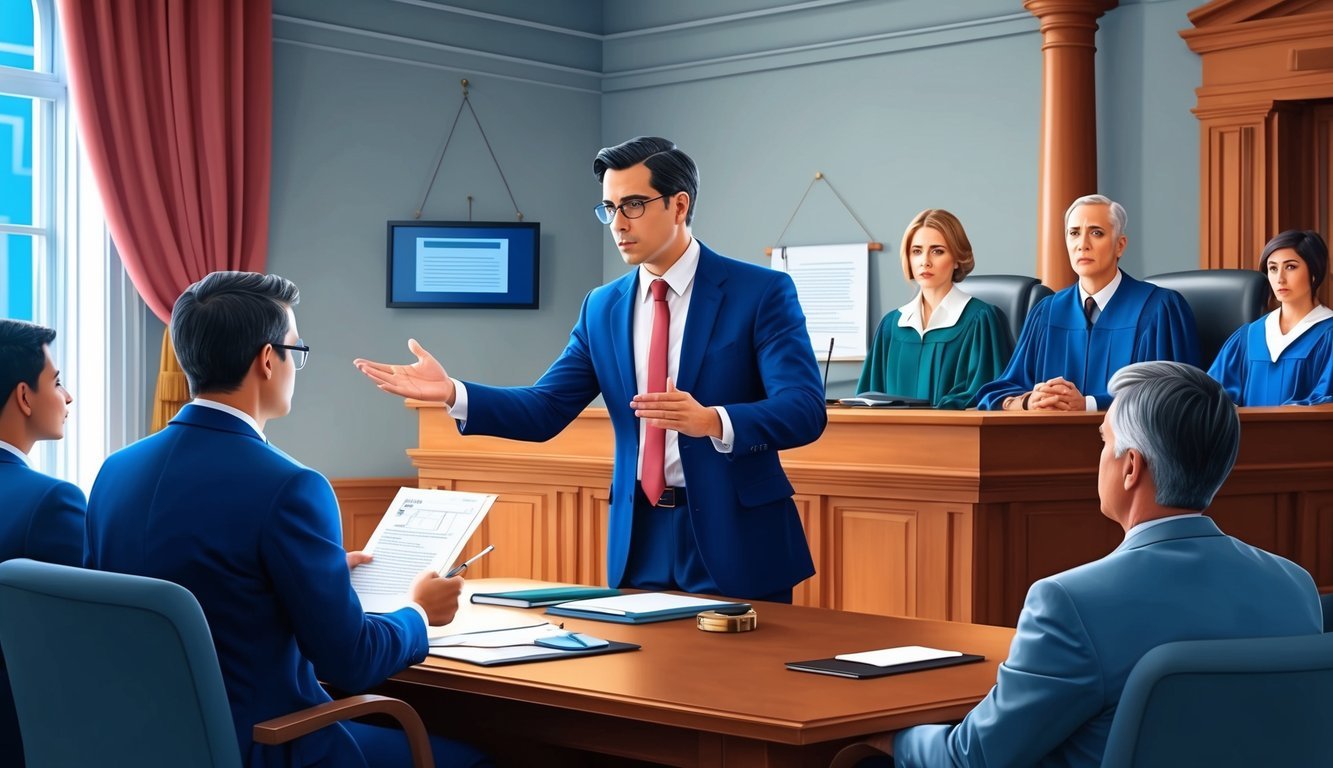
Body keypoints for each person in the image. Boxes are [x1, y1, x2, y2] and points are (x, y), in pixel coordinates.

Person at [356, 136, 827, 602]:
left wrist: (713, 421)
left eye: (634, 205)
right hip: (638, 538)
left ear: (680, 206)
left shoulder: (761, 292)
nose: (618, 224)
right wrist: (453, 392)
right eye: (609, 208)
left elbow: (804, 409)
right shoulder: (602, 307)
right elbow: (545, 409)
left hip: (738, 536)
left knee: (740, 679)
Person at [84, 272, 488, 768]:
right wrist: (421, 612)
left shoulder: (114, 473)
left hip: (143, 746)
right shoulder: (290, 485)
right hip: (266, 747)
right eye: (297, 352)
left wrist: (312, 575)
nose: (298, 366)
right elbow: (352, 661)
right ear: (268, 360)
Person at [843, 361, 1322, 767]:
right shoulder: (1295, 587)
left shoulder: (1070, 603)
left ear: (1131, 467)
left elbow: (973, 758)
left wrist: (886, 738)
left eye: (1102, 442)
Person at [976, 195, 1200, 411]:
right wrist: (1029, 402)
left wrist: (1089, 404)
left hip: (1130, 449)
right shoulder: (1047, 312)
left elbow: (1176, 397)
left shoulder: (1160, 309)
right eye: (1074, 233)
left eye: (1096, 232)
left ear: (1120, 245)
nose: (1082, 244)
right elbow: (1001, 391)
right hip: (1048, 445)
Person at [0, 319, 85, 768]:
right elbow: (81, 643)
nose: (67, 396)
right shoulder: (52, 502)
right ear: (24, 396)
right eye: (56, 381)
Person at [856, 209, 1010, 409]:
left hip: (953, 437)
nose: (925, 261)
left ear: (957, 259)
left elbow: (985, 395)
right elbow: (868, 398)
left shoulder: (981, 320)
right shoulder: (891, 326)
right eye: (917, 251)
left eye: (937, 251)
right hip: (893, 437)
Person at [1208, 229, 1333, 405]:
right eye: (1273, 268)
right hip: (1249, 433)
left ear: (1314, 273)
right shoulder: (1248, 337)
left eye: (1290, 267)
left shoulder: (1328, 335)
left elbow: (1325, 402)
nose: (1280, 278)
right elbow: (1212, 397)